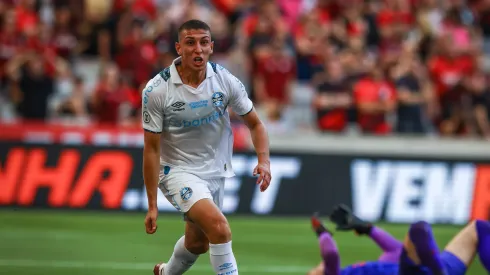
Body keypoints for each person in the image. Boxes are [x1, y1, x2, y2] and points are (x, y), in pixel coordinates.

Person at [141, 19, 271, 275]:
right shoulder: (157, 90)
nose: (197, 49)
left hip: (216, 170)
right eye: (190, 43)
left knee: (197, 243)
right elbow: (151, 149)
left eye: (203, 43)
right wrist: (152, 205)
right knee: (219, 229)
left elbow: (255, 124)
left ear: (211, 47)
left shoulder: (225, 81)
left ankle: (165, 273)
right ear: (179, 48)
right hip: (176, 170)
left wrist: (264, 160)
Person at [308, 204, 490, 275]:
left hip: (432, 268)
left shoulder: (366, 268)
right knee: (418, 230)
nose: (314, 269)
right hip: (414, 273)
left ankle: (439, 271)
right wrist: (321, 233)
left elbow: (394, 250)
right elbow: (331, 254)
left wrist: (367, 229)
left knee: (478, 229)